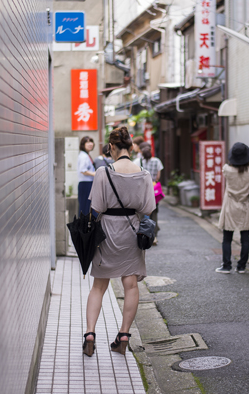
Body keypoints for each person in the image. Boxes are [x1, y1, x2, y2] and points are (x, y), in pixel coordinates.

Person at [82, 127, 156, 357]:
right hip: (132, 233)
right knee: (131, 285)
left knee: (98, 286)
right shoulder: (143, 174)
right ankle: (123, 335)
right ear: (131, 148)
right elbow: (147, 209)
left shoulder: (104, 172)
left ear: (112, 148)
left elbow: (96, 208)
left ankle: (90, 334)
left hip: (106, 233)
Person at [216, 142, 249, 274]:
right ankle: (241, 266)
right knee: (245, 239)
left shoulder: (227, 170)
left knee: (227, 238)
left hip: (230, 207)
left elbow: (227, 167)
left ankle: (227, 266)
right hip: (245, 206)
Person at [134, 144, 164, 244]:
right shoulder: (157, 161)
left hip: (141, 190)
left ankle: (141, 234)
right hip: (153, 189)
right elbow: (158, 175)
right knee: (153, 213)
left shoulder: (138, 161)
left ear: (141, 152)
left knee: (140, 212)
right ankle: (154, 236)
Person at [77, 136, 95, 216]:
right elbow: (82, 170)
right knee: (84, 208)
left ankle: (83, 226)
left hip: (87, 183)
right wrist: (95, 174)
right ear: (83, 144)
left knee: (86, 207)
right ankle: (82, 227)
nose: (90, 144)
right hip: (85, 184)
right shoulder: (84, 156)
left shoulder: (85, 155)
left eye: (91, 141)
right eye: (87, 142)